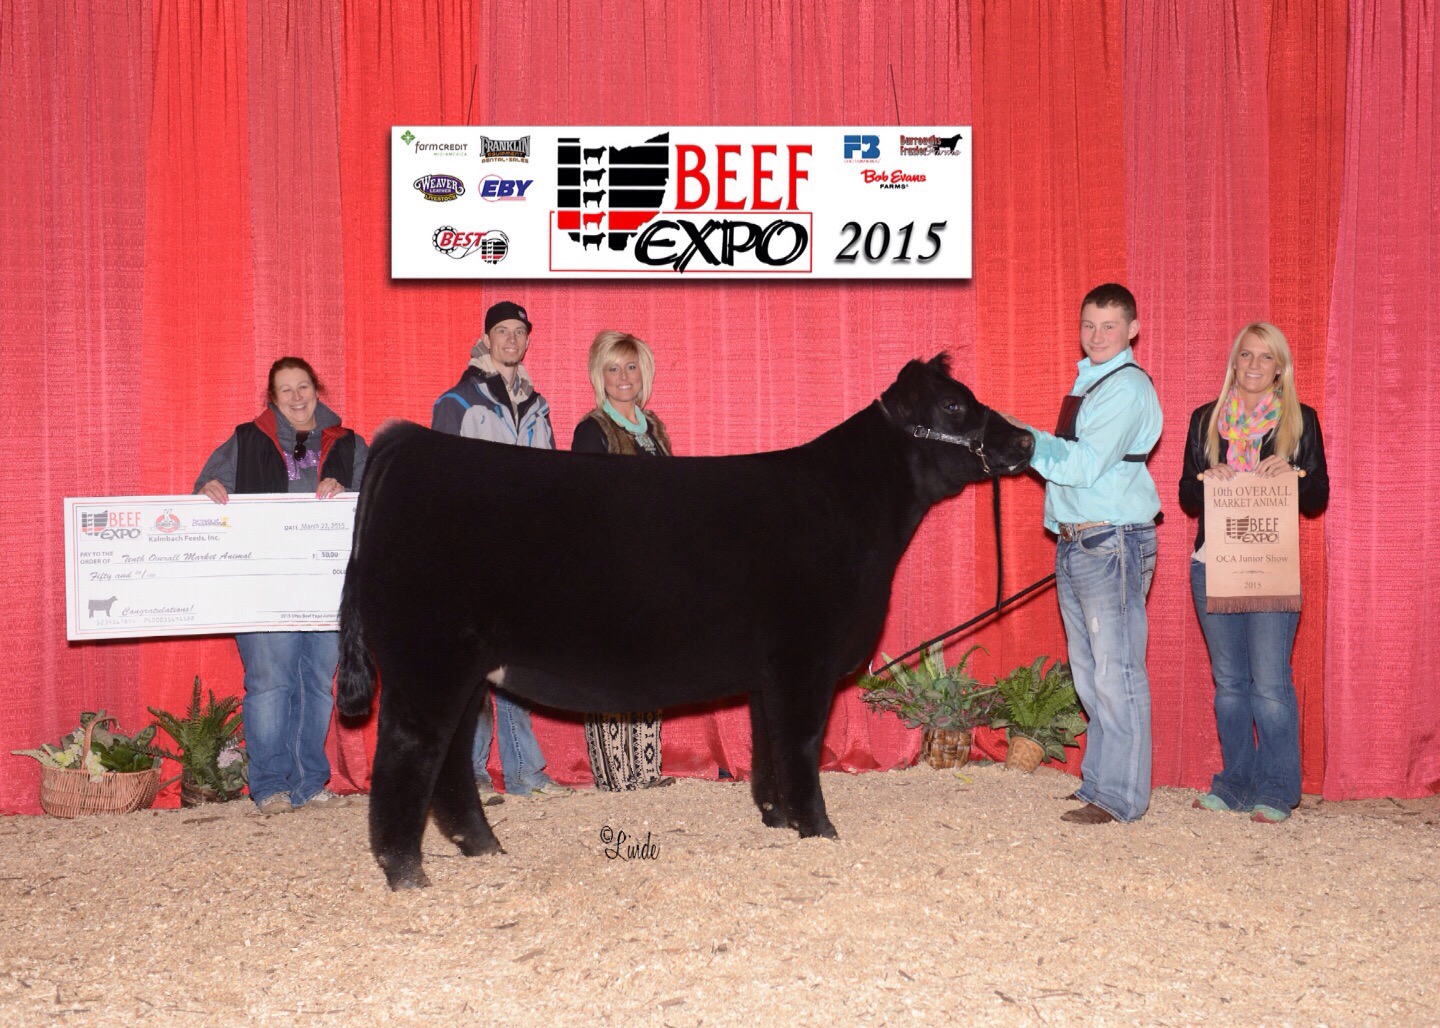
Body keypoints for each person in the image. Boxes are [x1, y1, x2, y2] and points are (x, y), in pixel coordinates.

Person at [1003, 284, 1163, 825]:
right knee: (1090, 673)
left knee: (1116, 672)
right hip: (1081, 538)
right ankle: (1099, 782)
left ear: (1132, 330)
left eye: (1109, 326)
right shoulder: (1092, 381)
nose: (1097, 336)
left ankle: (1121, 798)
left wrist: (1023, 440)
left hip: (1110, 539)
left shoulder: (1126, 388)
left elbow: (1083, 465)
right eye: (1089, 325)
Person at [195, 356, 367, 815]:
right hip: (262, 588)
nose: (296, 396)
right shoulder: (246, 439)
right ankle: (270, 785)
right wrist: (208, 490)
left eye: (303, 386)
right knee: (270, 683)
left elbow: (377, 503)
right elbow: (203, 493)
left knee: (317, 684)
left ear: (316, 389)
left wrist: (349, 491)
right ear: (272, 397)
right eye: (285, 389)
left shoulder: (350, 444)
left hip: (329, 589)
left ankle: (309, 783)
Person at [1179, 322, 1329, 824]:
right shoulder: (1206, 420)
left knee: (1269, 682)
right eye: (1247, 355)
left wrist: (1296, 474)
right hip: (1212, 564)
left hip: (1270, 568)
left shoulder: (1299, 421)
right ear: (1234, 362)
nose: (1255, 365)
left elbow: (1318, 497)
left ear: (1280, 368)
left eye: (1266, 357)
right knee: (1229, 683)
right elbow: (1185, 496)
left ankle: (1278, 788)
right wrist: (1206, 478)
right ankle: (1235, 783)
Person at [433, 300, 572, 800]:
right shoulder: (457, 402)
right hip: (474, 551)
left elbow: (553, 481)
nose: (511, 340)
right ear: (487, 339)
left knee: (516, 663)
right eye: (502, 331)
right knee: (473, 666)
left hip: (525, 554)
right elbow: (442, 482)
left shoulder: (538, 405)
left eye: (519, 332)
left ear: (527, 340)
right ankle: (469, 773)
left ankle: (524, 773)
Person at [570, 330, 677, 791]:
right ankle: (615, 775)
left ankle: (646, 769)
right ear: (600, 376)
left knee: (649, 662)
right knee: (611, 665)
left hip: (654, 566)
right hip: (609, 566)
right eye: (613, 368)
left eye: (630, 366)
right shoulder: (591, 430)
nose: (623, 376)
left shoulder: (654, 429)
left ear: (643, 373)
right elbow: (583, 505)